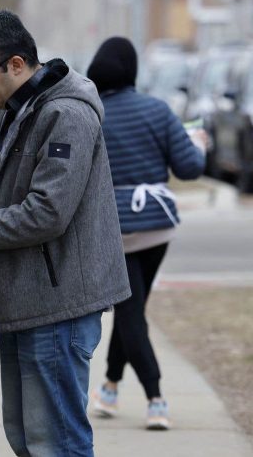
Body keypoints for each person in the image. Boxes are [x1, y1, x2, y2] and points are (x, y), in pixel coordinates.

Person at [0, 11, 131, 456]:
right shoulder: (2, 112)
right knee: (26, 438)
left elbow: (46, 213)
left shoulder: (68, 115)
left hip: (60, 305)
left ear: (16, 64)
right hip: (21, 297)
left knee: (57, 442)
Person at [85, 36, 207, 431]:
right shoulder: (158, 110)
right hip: (156, 229)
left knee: (130, 311)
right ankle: (110, 386)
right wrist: (198, 145)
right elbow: (189, 169)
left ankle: (155, 398)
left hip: (112, 229)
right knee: (132, 309)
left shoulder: (91, 113)